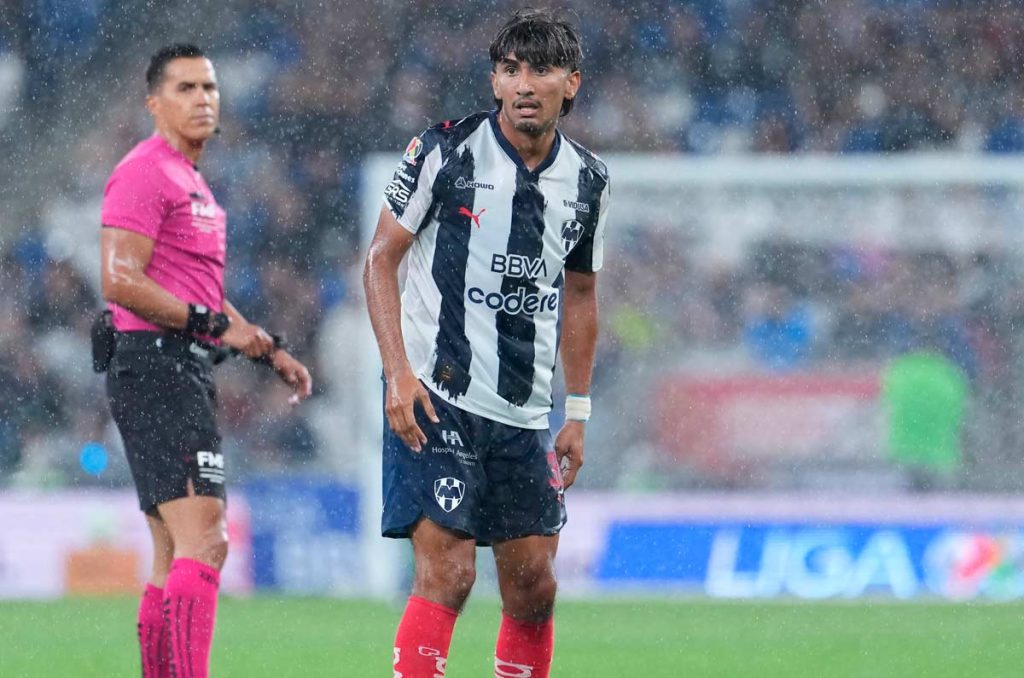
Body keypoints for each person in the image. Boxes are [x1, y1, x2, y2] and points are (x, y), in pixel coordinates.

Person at [363, 9, 609, 677]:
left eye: (541, 70)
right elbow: (380, 260)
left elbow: (581, 295)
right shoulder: (444, 150)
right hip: (436, 394)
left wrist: (578, 411)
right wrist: (396, 374)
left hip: (524, 415)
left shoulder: (589, 181)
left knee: (534, 589)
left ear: (572, 83)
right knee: (448, 574)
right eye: (510, 70)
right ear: (494, 83)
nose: (525, 84)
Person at [99, 44, 312, 678]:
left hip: (167, 364)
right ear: (154, 103)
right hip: (158, 364)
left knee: (171, 551)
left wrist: (265, 346)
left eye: (209, 88)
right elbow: (118, 279)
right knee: (207, 541)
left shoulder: (191, 180)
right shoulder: (145, 171)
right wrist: (211, 326)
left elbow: (198, 293)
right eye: (186, 88)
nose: (203, 99)